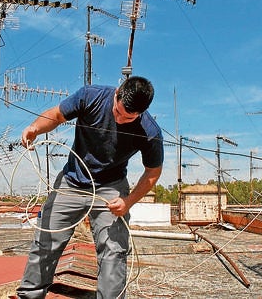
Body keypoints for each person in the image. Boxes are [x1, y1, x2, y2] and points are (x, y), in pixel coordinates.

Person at [16, 76, 164, 299]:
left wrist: (128, 201)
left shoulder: (150, 132)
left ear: (141, 113)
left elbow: (153, 172)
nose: (121, 120)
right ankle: (29, 295)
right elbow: (56, 115)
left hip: (111, 187)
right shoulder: (91, 96)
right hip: (71, 182)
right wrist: (35, 128)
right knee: (45, 241)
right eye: (118, 112)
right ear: (116, 94)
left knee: (114, 251)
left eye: (129, 117)